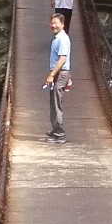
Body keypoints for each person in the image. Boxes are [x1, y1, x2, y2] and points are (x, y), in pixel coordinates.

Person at [44, 13, 71, 144]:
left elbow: (62, 59)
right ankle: (55, 129)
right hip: (58, 73)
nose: (53, 25)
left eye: (56, 23)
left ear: (62, 24)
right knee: (53, 102)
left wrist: (51, 75)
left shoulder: (62, 39)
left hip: (59, 74)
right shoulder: (57, 38)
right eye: (52, 23)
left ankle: (59, 134)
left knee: (56, 103)